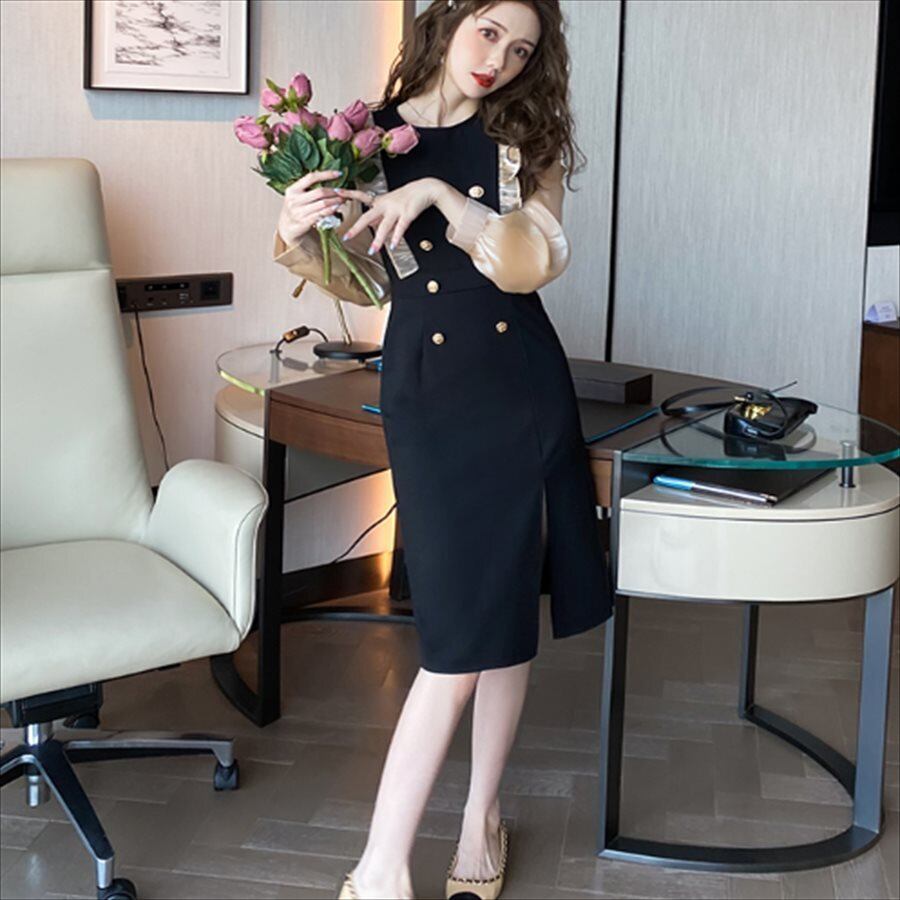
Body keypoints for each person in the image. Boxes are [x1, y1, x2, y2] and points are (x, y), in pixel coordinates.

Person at [273, 2, 613, 897]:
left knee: (500, 616)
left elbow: (526, 265)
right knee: (460, 633)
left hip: (520, 387)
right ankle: (384, 865)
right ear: (450, 18)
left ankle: (466, 828)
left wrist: (440, 196)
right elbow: (363, 278)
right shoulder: (365, 136)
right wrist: (295, 231)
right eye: (489, 31)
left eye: (523, 48)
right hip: (428, 394)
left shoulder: (525, 141)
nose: (501, 59)